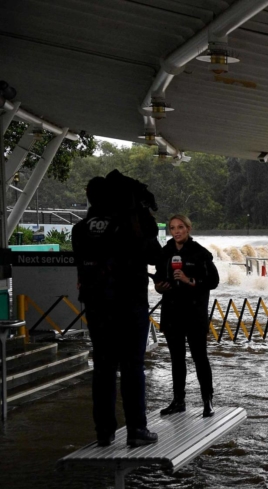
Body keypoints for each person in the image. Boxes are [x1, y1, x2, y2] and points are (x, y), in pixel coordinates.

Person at [72, 174, 161, 447]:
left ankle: (104, 432)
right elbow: (155, 257)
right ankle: (136, 429)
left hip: (97, 306)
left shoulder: (80, 229)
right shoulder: (130, 224)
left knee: (103, 367)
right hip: (130, 304)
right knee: (133, 367)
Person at [154, 214, 219, 417]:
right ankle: (178, 400)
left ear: (188, 229)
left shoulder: (200, 253)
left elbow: (213, 281)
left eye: (180, 227)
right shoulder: (165, 253)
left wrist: (189, 280)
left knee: (200, 357)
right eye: (172, 228)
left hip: (194, 313)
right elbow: (158, 277)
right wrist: (159, 286)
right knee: (176, 358)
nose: (176, 231)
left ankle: (207, 401)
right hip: (172, 313)